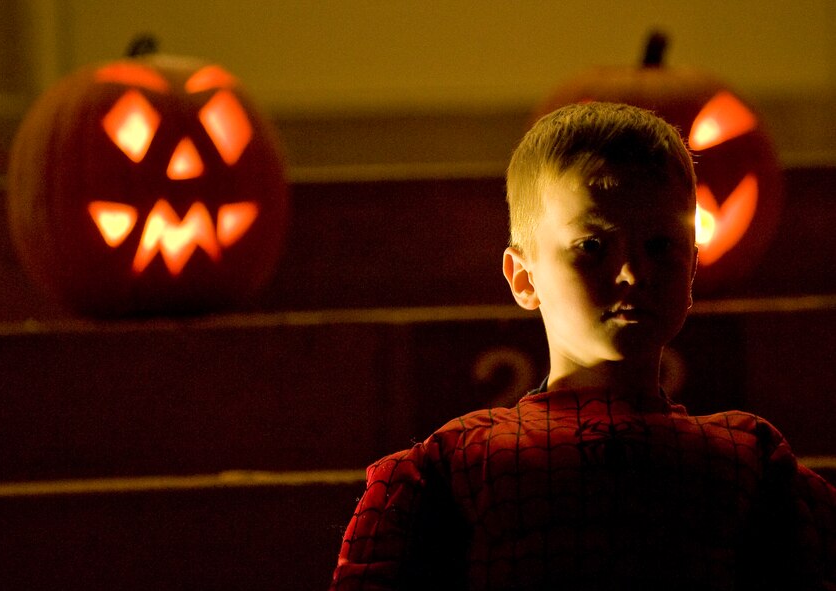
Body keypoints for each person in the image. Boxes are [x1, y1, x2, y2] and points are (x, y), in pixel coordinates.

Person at [328, 102, 836, 590]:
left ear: (692, 267)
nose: (633, 273)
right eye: (592, 247)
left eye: (661, 246)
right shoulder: (449, 469)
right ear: (524, 278)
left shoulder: (753, 462)